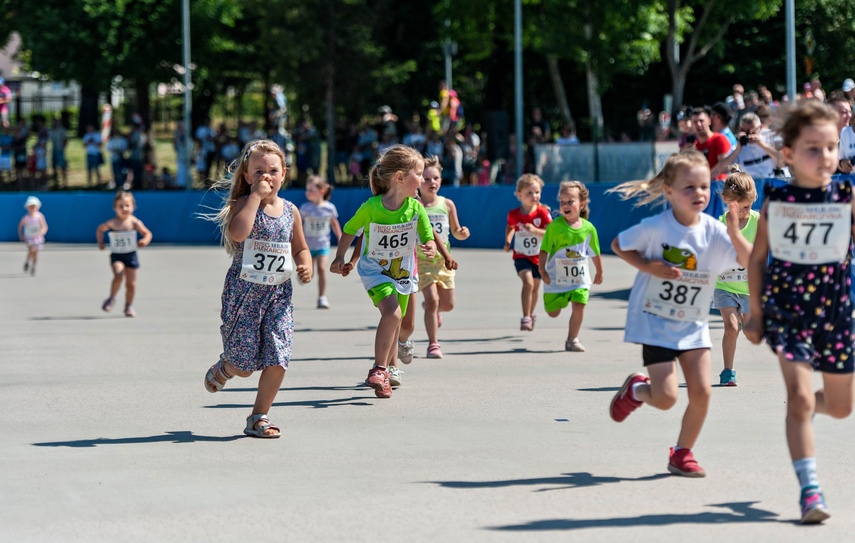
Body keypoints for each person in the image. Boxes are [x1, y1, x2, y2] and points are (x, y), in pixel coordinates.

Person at [607, 150, 752, 478]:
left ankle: (682, 453)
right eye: (689, 187)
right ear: (669, 191)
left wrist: (734, 229)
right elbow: (619, 244)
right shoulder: (656, 227)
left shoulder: (714, 230)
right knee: (667, 398)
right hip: (657, 321)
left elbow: (748, 259)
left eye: (703, 186)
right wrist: (648, 266)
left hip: (694, 323)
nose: (698, 193)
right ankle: (636, 390)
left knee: (702, 392)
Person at [744, 101, 855, 524]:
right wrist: (755, 314)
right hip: (787, 313)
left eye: (830, 147)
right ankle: (811, 492)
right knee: (800, 395)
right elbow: (757, 260)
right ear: (787, 154)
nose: (825, 157)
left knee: (842, 407)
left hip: (836, 313)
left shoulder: (845, 195)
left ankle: (804, 409)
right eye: (813, 148)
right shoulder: (778, 199)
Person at [202, 139, 312, 438]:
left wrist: (306, 265)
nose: (267, 176)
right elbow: (238, 234)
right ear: (247, 176)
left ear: (284, 174)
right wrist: (253, 199)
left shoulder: (291, 211)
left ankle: (259, 416)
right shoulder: (242, 204)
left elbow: (300, 248)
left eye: (273, 171)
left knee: (279, 355)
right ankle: (226, 367)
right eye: (259, 171)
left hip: (278, 296)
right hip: (244, 295)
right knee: (244, 365)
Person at [330, 144, 437, 398]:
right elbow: (349, 230)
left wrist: (430, 246)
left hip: (404, 274)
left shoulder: (416, 208)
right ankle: (379, 369)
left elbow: (427, 235)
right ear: (400, 177)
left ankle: (386, 373)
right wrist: (339, 257)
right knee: (392, 313)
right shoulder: (372, 207)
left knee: (400, 322)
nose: (422, 179)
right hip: (375, 272)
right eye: (419, 174)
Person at [538, 181, 603, 352]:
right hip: (555, 278)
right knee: (553, 313)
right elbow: (544, 250)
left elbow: (595, 253)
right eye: (562, 201)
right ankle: (557, 300)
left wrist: (599, 272)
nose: (565, 205)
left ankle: (572, 339)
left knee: (579, 304)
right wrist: (542, 270)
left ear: (581, 204)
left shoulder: (589, 229)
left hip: (579, 279)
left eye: (570, 201)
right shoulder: (555, 227)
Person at [417, 156, 470, 359]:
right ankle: (433, 344)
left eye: (436, 178)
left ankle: (435, 310)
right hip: (422, 260)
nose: (432, 183)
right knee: (431, 301)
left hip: (444, 261)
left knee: (447, 304)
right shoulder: (414, 205)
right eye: (427, 179)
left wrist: (462, 233)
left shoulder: (446, 204)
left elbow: (455, 230)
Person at [712, 167, 759, 386]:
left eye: (747, 207)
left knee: (750, 334)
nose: (742, 212)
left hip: (750, 288)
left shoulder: (758, 222)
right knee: (731, 328)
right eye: (737, 208)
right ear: (725, 200)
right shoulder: (720, 223)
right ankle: (728, 371)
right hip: (725, 285)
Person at [504, 174, 552, 331]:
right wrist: (508, 240)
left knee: (535, 288)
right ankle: (525, 317)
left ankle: (531, 314)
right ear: (519, 195)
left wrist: (535, 230)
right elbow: (510, 227)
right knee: (528, 282)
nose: (534, 196)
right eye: (529, 193)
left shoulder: (542, 213)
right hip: (521, 256)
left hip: (539, 257)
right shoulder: (514, 214)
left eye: (537, 192)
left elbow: (550, 233)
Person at [96, 191, 153, 318]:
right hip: (117, 255)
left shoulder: (134, 222)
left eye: (127, 205)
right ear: (115, 208)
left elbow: (148, 233)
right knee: (118, 274)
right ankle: (112, 297)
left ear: (133, 207)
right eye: (120, 206)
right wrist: (101, 243)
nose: (124, 209)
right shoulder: (112, 222)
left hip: (131, 255)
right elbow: (100, 229)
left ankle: (128, 306)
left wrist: (144, 241)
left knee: (131, 284)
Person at [300, 175, 342, 309]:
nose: (308, 193)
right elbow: (299, 224)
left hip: (323, 245)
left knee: (322, 269)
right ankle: (306, 274)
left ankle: (322, 297)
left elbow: (334, 224)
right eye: (307, 190)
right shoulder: (305, 208)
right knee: (310, 274)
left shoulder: (329, 208)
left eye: (311, 190)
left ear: (321, 191)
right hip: (308, 246)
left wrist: (341, 237)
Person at [688, 107, 732, 180]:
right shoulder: (693, 146)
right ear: (691, 125)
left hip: (718, 185)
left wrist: (706, 177)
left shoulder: (719, 139)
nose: (698, 124)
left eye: (701, 121)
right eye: (695, 122)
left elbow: (724, 166)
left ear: (709, 121)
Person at [18, 196, 48, 276]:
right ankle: (27, 261)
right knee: (31, 249)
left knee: (35, 252)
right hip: (29, 237)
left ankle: (33, 266)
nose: (32, 208)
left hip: (37, 238)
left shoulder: (39, 216)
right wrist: (21, 235)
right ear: (27, 207)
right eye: (31, 206)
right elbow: (20, 226)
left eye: (34, 206)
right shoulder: (26, 217)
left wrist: (42, 232)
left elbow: (44, 226)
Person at [48, 118, 68, 189]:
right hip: (54, 150)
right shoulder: (52, 130)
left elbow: (65, 140)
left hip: (60, 150)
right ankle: (56, 182)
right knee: (54, 167)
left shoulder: (62, 130)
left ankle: (64, 183)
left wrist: (63, 148)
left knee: (62, 166)